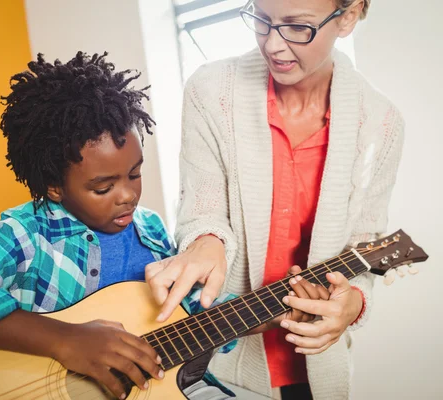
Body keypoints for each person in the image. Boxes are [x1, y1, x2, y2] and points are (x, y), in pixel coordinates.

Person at [0, 51, 240, 400]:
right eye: (103, 187)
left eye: (135, 174)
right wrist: (63, 340)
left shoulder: (151, 230)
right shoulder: (28, 236)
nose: (127, 195)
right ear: (54, 186)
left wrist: (267, 312)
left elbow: (187, 309)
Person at [145, 0, 405, 399]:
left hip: (312, 364)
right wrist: (205, 242)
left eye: (297, 27)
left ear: (348, 16)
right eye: (262, 20)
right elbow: (202, 209)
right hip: (213, 360)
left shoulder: (382, 124)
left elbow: (365, 247)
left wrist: (353, 305)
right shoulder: (210, 91)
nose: (273, 45)